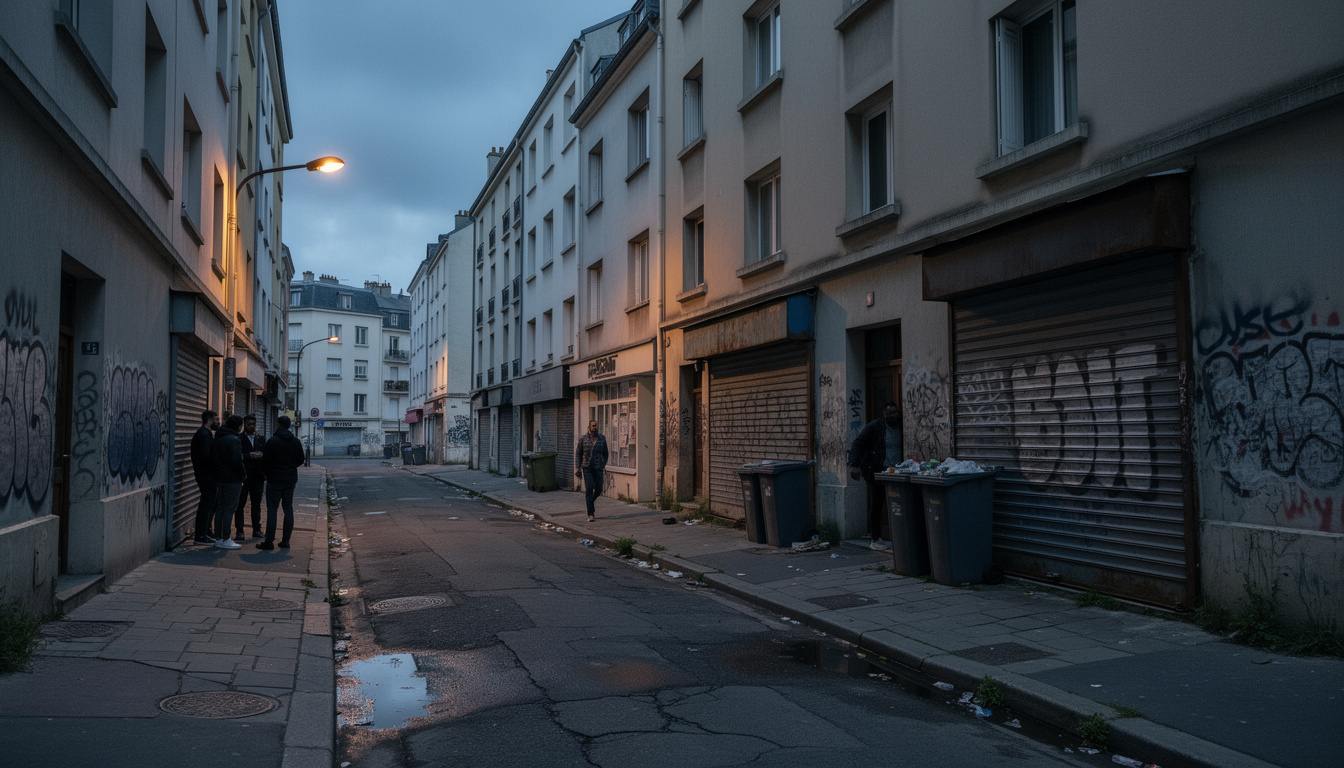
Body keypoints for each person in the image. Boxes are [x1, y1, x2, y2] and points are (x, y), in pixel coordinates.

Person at [848, 402, 903, 551]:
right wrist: (854, 464)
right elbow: (858, 444)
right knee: (877, 504)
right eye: (891, 413)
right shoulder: (876, 426)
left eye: (896, 413)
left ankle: (895, 537)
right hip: (878, 470)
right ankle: (875, 539)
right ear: (884, 413)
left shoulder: (901, 426)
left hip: (896, 472)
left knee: (896, 504)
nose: (894, 416)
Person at [258, 414, 306, 550]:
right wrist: (290, 467)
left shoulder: (273, 441)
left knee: (272, 510)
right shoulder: (295, 441)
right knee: (288, 508)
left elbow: (265, 461)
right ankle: (286, 541)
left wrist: (267, 473)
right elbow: (300, 460)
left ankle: (269, 541)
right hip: (290, 479)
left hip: (274, 479)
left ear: (279, 425)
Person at [211, 414, 246, 549]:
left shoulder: (219, 438)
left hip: (219, 477)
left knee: (220, 508)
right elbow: (237, 461)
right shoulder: (234, 440)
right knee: (229, 509)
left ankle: (219, 538)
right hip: (232, 478)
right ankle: (226, 538)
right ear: (238, 426)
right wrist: (243, 475)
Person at [190, 410, 220, 544]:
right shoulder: (204, 434)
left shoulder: (205, 434)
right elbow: (206, 456)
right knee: (206, 505)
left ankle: (204, 532)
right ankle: (201, 535)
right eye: (216, 419)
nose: (218, 422)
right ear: (209, 420)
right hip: (206, 476)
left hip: (205, 475)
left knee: (208, 504)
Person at [234, 415, 266, 540]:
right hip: (244, 476)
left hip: (257, 476)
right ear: (244, 425)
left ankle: (256, 529)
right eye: (249, 424)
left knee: (256, 504)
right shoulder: (239, 438)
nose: (252, 426)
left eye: (253, 424)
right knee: (240, 504)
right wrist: (250, 455)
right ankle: (239, 530)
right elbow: (237, 456)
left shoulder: (261, 439)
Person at [574, 420, 609, 522]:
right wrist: (578, 468)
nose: (595, 428)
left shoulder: (602, 438)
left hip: (598, 468)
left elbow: (605, 453)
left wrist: (602, 464)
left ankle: (590, 503)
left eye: (596, 426)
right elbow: (578, 454)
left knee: (599, 489)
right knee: (589, 489)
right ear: (589, 427)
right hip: (587, 468)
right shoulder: (583, 439)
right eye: (593, 426)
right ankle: (590, 513)